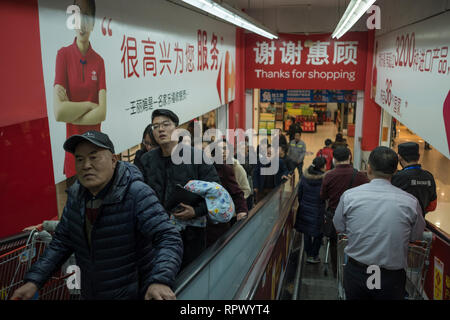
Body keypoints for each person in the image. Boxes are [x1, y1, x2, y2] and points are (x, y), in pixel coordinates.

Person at [12, 131, 183, 300]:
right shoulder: (76, 197)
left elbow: (168, 236)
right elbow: (62, 242)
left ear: (113, 160)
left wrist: (160, 280)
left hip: (133, 293)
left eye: (94, 157)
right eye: (79, 159)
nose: (86, 165)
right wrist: (34, 280)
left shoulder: (136, 193)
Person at [333, 146, 426, 300]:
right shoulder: (410, 202)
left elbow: (339, 226)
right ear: (395, 171)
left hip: (357, 272)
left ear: (368, 168)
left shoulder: (350, 196)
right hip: (392, 278)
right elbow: (416, 235)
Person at [138, 109, 221, 269]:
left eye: (165, 124)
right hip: (156, 235)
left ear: (176, 128)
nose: (160, 129)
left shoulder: (197, 157)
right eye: (155, 126)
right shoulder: (147, 160)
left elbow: (216, 193)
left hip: (190, 235)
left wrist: (196, 211)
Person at [53, 0, 107, 179]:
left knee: (99, 205)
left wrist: (72, 108)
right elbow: (59, 113)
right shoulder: (63, 55)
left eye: (86, 17)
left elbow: (102, 114)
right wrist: (91, 104)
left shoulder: (99, 61)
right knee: (76, 205)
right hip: (73, 153)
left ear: (92, 23)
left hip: (96, 152)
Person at [320, 147, 369, 277]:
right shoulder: (360, 176)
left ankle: (337, 271)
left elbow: (323, 196)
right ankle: (351, 270)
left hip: (334, 215)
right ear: (350, 158)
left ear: (334, 159)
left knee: (335, 243)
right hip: (355, 217)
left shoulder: (329, 176)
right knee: (353, 242)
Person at [294, 157, 327, 264]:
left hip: (304, 208)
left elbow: (300, 193)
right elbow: (325, 195)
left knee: (306, 232)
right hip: (318, 210)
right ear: (322, 167)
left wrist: (302, 203)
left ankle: (308, 254)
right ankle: (314, 255)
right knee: (319, 233)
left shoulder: (304, 177)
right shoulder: (324, 179)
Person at [391, 142, 437, 215]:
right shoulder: (429, 176)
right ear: (418, 157)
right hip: (419, 222)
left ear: (399, 157)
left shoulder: (397, 177)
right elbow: (432, 206)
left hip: (399, 221)